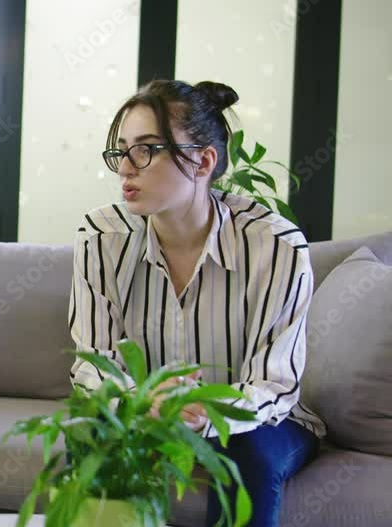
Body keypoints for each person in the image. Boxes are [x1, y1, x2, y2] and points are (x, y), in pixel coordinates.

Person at [69, 80, 325, 527]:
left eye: (146, 149)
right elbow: (94, 364)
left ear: (203, 161)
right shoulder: (100, 238)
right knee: (95, 437)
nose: (125, 168)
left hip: (256, 421)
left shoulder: (274, 245)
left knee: (249, 455)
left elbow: (273, 384)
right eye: (121, 150)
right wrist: (139, 401)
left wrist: (207, 414)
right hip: (146, 410)